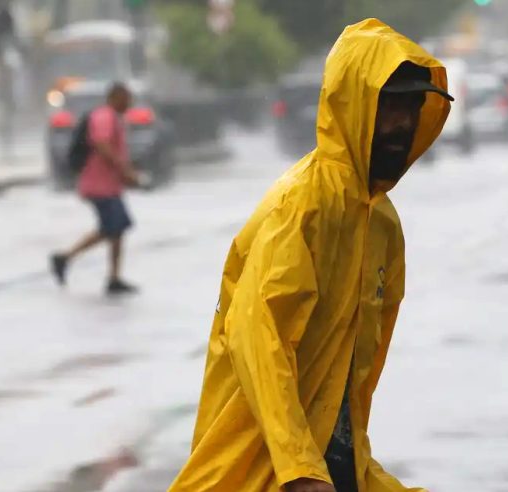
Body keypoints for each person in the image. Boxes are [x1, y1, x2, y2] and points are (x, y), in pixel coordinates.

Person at [168, 19, 453, 492]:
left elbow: (351, 377)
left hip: (328, 460)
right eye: (388, 106)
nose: (402, 124)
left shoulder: (381, 223)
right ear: (352, 106)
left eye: (410, 106)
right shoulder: (303, 206)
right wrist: (299, 468)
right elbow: (259, 336)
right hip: (262, 466)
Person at [51, 83, 140, 295]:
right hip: (98, 185)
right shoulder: (104, 116)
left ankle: (113, 277)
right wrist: (124, 169)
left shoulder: (111, 117)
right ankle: (65, 258)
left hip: (108, 185)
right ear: (117, 97)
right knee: (112, 227)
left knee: (116, 228)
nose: (130, 104)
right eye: (127, 99)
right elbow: (102, 144)